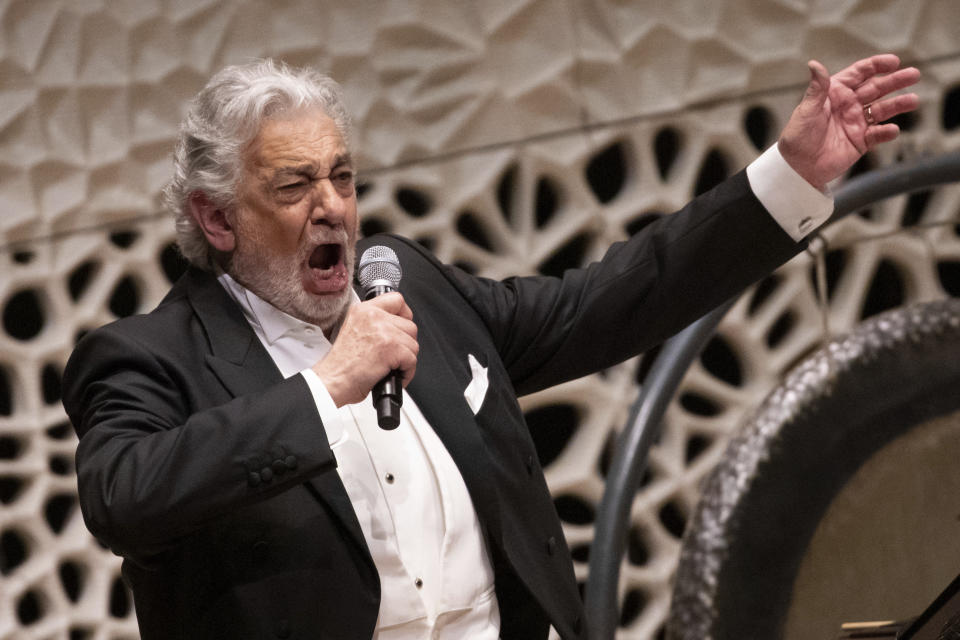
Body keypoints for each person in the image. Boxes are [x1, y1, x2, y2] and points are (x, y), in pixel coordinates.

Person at [62, 54, 919, 639]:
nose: (333, 208)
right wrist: (326, 388)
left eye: (343, 176)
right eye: (293, 185)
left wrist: (790, 176)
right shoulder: (148, 357)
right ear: (217, 219)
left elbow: (606, 302)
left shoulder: (411, 288)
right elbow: (123, 496)